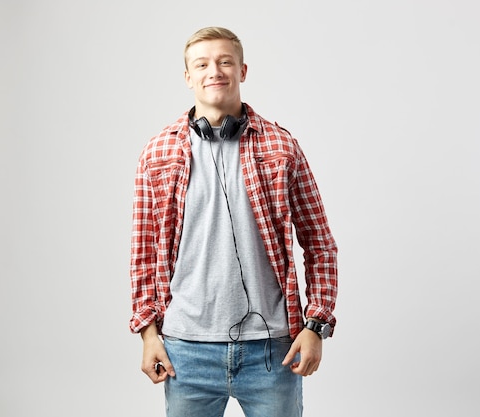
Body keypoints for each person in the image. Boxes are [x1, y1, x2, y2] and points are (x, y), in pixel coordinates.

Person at [129, 26, 338, 417]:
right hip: (185, 350)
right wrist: (148, 333)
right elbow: (142, 253)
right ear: (188, 76)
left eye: (226, 61)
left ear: (242, 70)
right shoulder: (156, 154)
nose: (215, 71)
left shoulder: (281, 147)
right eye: (202, 64)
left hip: (273, 350)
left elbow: (320, 242)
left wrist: (316, 325)